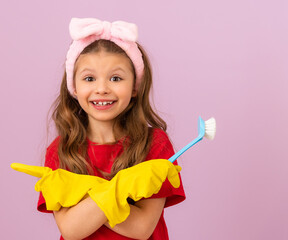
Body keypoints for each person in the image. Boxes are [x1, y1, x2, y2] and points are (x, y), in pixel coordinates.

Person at [37, 18, 186, 240]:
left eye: (116, 78)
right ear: (74, 88)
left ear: (135, 87)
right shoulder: (61, 151)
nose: (102, 89)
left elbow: (141, 228)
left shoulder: (154, 144)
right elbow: (71, 230)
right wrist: (119, 188)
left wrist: (84, 195)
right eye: (89, 78)